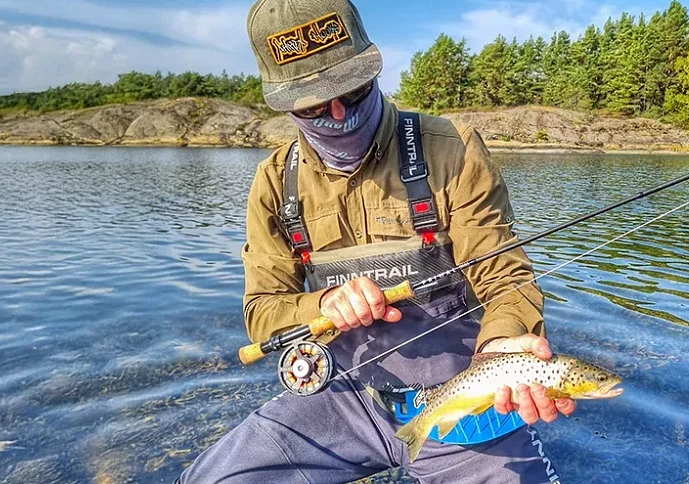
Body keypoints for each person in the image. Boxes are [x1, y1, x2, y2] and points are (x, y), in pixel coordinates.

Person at [178, 0, 576, 482]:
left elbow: (506, 278)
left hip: (463, 406)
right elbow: (261, 312)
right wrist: (323, 303)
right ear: (283, 103)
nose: (339, 112)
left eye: (353, 89)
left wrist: (501, 346)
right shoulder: (274, 182)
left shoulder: (452, 149)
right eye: (313, 104)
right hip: (342, 399)